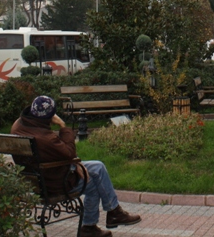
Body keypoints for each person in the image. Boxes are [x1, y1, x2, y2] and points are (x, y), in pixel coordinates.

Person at [11, 96, 141, 237]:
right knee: (94, 182)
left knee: (98, 167)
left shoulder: (19, 125)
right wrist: (63, 126)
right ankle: (92, 226)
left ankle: (113, 212)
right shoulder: (46, 139)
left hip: (36, 179)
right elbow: (69, 153)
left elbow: (60, 155)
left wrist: (74, 163)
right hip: (54, 183)